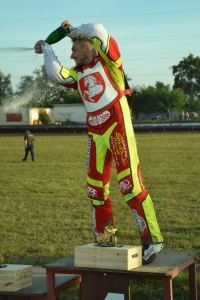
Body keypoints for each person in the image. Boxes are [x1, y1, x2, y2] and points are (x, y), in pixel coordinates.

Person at [34, 20, 163, 264]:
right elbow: (55, 74)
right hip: (95, 133)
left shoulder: (111, 63)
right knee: (95, 190)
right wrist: (48, 49)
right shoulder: (77, 75)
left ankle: (152, 239)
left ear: (88, 47)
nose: (71, 55)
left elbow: (98, 31)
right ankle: (105, 238)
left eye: (74, 49)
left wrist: (69, 31)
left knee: (130, 185)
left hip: (118, 128)